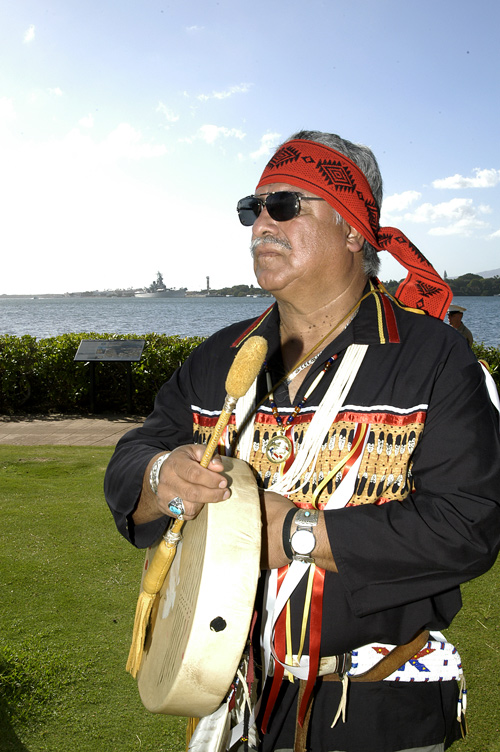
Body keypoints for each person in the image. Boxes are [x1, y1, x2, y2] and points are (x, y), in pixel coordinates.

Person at [104, 130, 500, 752]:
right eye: (252, 209)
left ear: (352, 229)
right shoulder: (220, 357)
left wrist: (298, 535)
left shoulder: (435, 358)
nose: (260, 222)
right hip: (232, 703)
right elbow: (134, 454)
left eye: (285, 206)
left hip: (373, 709)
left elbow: (469, 526)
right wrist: (161, 476)